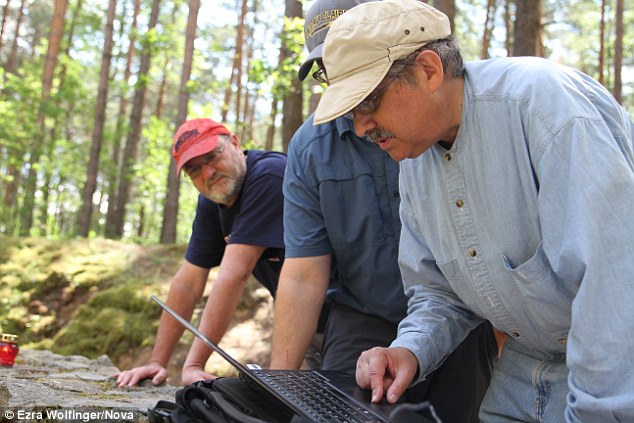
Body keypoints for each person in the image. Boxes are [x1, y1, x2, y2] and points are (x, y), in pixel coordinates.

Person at [311, 0, 634, 421]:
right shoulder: (414, 158)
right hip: (524, 366)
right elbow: (438, 291)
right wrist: (409, 348)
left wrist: (599, 412)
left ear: (429, 70)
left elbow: (614, 283)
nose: (360, 127)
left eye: (368, 103)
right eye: (352, 112)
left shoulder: (544, 106)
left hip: (614, 370)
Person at [269, 1, 499, 421]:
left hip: (461, 310)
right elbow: (303, 274)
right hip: (363, 316)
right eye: (327, 68)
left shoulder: (443, 112)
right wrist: (279, 389)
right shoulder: (310, 149)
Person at [115, 118, 286, 387]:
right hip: (307, 323)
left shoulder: (270, 175)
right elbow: (188, 282)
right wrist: (158, 362)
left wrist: (194, 365)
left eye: (212, 156)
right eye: (194, 169)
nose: (208, 173)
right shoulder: (213, 201)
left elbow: (234, 274)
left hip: (346, 307)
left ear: (235, 143)